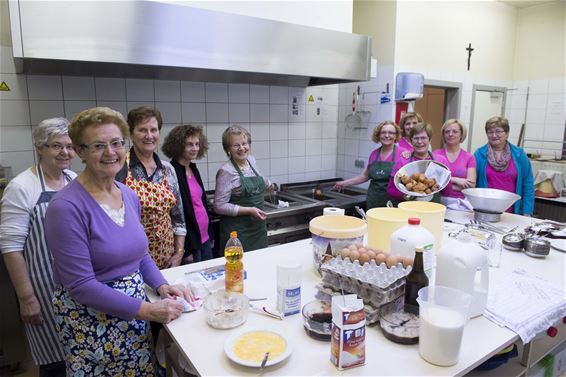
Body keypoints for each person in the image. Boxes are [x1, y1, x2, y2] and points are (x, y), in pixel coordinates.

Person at [44, 107, 191, 376]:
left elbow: (141, 254)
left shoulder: (127, 194)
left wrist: (162, 285)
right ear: (80, 151)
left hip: (132, 318)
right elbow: (81, 286)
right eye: (98, 145)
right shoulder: (65, 207)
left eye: (116, 143)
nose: (110, 152)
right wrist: (148, 310)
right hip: (92, 324)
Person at [0, 118, 76, 377]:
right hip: (44, 291)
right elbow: (10, 247)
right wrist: (27, 298)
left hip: (78, 285)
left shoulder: (75, 180)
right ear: (40, 147)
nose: (65, 152)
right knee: (55, 362)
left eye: (70, 146)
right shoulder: (22, 187)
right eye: (57, 146)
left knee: (79, 355)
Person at [116, 106, 186, 269]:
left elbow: (178, 219)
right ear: (131, 134)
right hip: (132, 263)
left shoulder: (168, 170)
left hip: (168, 262)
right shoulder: (120, 168)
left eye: (153, 130)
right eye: (142, 130)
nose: (149, 136)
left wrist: (178, 254)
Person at [214, 125, 275, 252]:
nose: (242, 148)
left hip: (258, 229)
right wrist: (249, 210)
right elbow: (219, 206)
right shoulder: (226, 171)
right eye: (236, 145)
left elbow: (260, 178)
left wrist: (270, 184)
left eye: (244, 143)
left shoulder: (251, 161)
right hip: (237, 233)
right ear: (228, 149)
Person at [162, 125, 213, 263]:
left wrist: (210, 235)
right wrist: (185, 251)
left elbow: (202, 205)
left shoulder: (193, 168)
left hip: (205, 238)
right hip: (191, 244)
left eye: (197, 144)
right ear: (178, 146)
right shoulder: (171, 172)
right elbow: (175, 215)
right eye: (189, 144)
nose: (195, 148)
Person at [334, 120, 403, 209]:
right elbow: (365, 176)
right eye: (383, 133)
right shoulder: (374, 154)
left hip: (392, 203)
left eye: (391, 133)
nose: (386, 135)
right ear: (378, 135)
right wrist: (344, 183)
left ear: (396, 136)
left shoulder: (403, 154)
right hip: (373, 200)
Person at [474, 116, 534, 215]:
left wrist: (527, 211)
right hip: (485, 210)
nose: (494, 135)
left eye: (498, 131)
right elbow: (473, 182)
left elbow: (528, 185)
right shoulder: (479, 154)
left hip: (512, 211)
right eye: (490, 132)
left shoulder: (519, 154)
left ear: (506, 133)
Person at [387, 123, 449, 204]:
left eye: (423, 138)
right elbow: (390, 189)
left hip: (433, 208)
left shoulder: (441, 161)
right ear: (411, 141)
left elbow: (447, 192)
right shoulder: (402, 161)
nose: (419, 142)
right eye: (416, 138)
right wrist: (408, 194)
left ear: (430, 140)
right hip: (409, 207)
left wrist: (442, 183)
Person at [433, 119, 476, 209]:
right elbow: (432, 181)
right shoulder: (435, 155)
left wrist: (445, 184)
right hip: (438, 202)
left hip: (461, 205)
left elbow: (470, 186)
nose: (450, 134)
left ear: (461, 135)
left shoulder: (469, 157)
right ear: (443, 135)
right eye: (447, 132)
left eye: (455, 131)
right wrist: (455, 180)